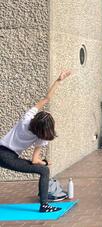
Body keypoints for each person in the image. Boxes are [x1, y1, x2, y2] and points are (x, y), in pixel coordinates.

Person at [0, 70, 71, 213]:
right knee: (44, 171)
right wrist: (44, 162)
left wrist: (58, 80)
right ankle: (44, 205)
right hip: (8, 157)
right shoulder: (42, 135)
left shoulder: (27, 118)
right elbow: (35, 160)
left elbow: (46, 99)